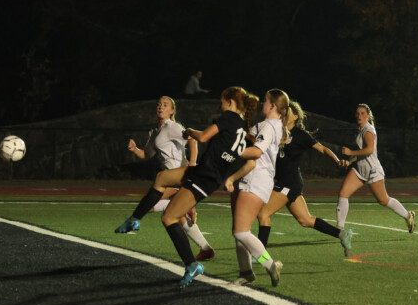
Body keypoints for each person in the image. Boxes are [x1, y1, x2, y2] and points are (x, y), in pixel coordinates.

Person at [124, 87, 259, 287]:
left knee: (169, 217)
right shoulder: (240, 126)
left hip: (205, 176)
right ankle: (134, 219)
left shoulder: (228, 118)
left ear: (230, 102)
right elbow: (252, 152)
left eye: (222, 100)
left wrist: (190, 132)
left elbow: (203, 137)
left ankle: (192, 264)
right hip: (204, 173)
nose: (219, 104)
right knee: (162, 179)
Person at [115, 96, 215, 261]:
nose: (161, 107)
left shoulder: (172, 127)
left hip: (177, 177)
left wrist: (192, 163)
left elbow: (192, 139)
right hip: (167, 179)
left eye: (165, 105)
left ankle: (183, 207)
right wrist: (134, 149)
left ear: (172, 111)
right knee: (176, 215)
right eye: (159, 104)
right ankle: (206, 248)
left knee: (147, 206)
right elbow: (146, 154)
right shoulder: (155, 131)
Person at [255, 100, 353, 256]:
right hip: (285, 181)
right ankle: (342, 234)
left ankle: (259, 255)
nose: (283, 114)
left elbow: (323, 149)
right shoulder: (276, 131)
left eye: (287, 112)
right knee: (306, 220)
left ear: (295, 116)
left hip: (289, 182)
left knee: (263, 214)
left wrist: (336, 160)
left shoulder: (301, 135)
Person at [223, 89, 290, 287]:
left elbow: (257, 151)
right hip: (250, 178)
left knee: (240, 232)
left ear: (273, 106)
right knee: (240, 231)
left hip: (256, 180)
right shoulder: (268, 125)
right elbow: (250, 137)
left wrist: (234, 150)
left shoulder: (269, 126)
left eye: (265, 101)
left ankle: (270, 265)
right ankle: (246, 272)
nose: (262, 104)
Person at [336, 104, 416, 234]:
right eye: (357, 113)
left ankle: (408, 216)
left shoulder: (368, 130)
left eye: (362, 113)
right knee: (343, 193)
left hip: (372, 171)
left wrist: (350, 152)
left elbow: (369, 150)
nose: (359, 116)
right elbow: (361, 154)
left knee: (383, 200)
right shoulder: (360, 129)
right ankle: (339, 229)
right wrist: (349, 162)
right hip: (360, 170)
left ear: (368, 115)